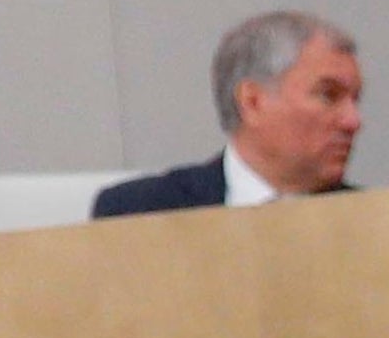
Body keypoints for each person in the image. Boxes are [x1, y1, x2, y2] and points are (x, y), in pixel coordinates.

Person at [92, 12, 363, 216]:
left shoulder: (373, 221)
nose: (353, 121)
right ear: (253, 102)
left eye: (355, 100)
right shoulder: (142, 211)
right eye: (329, 95)